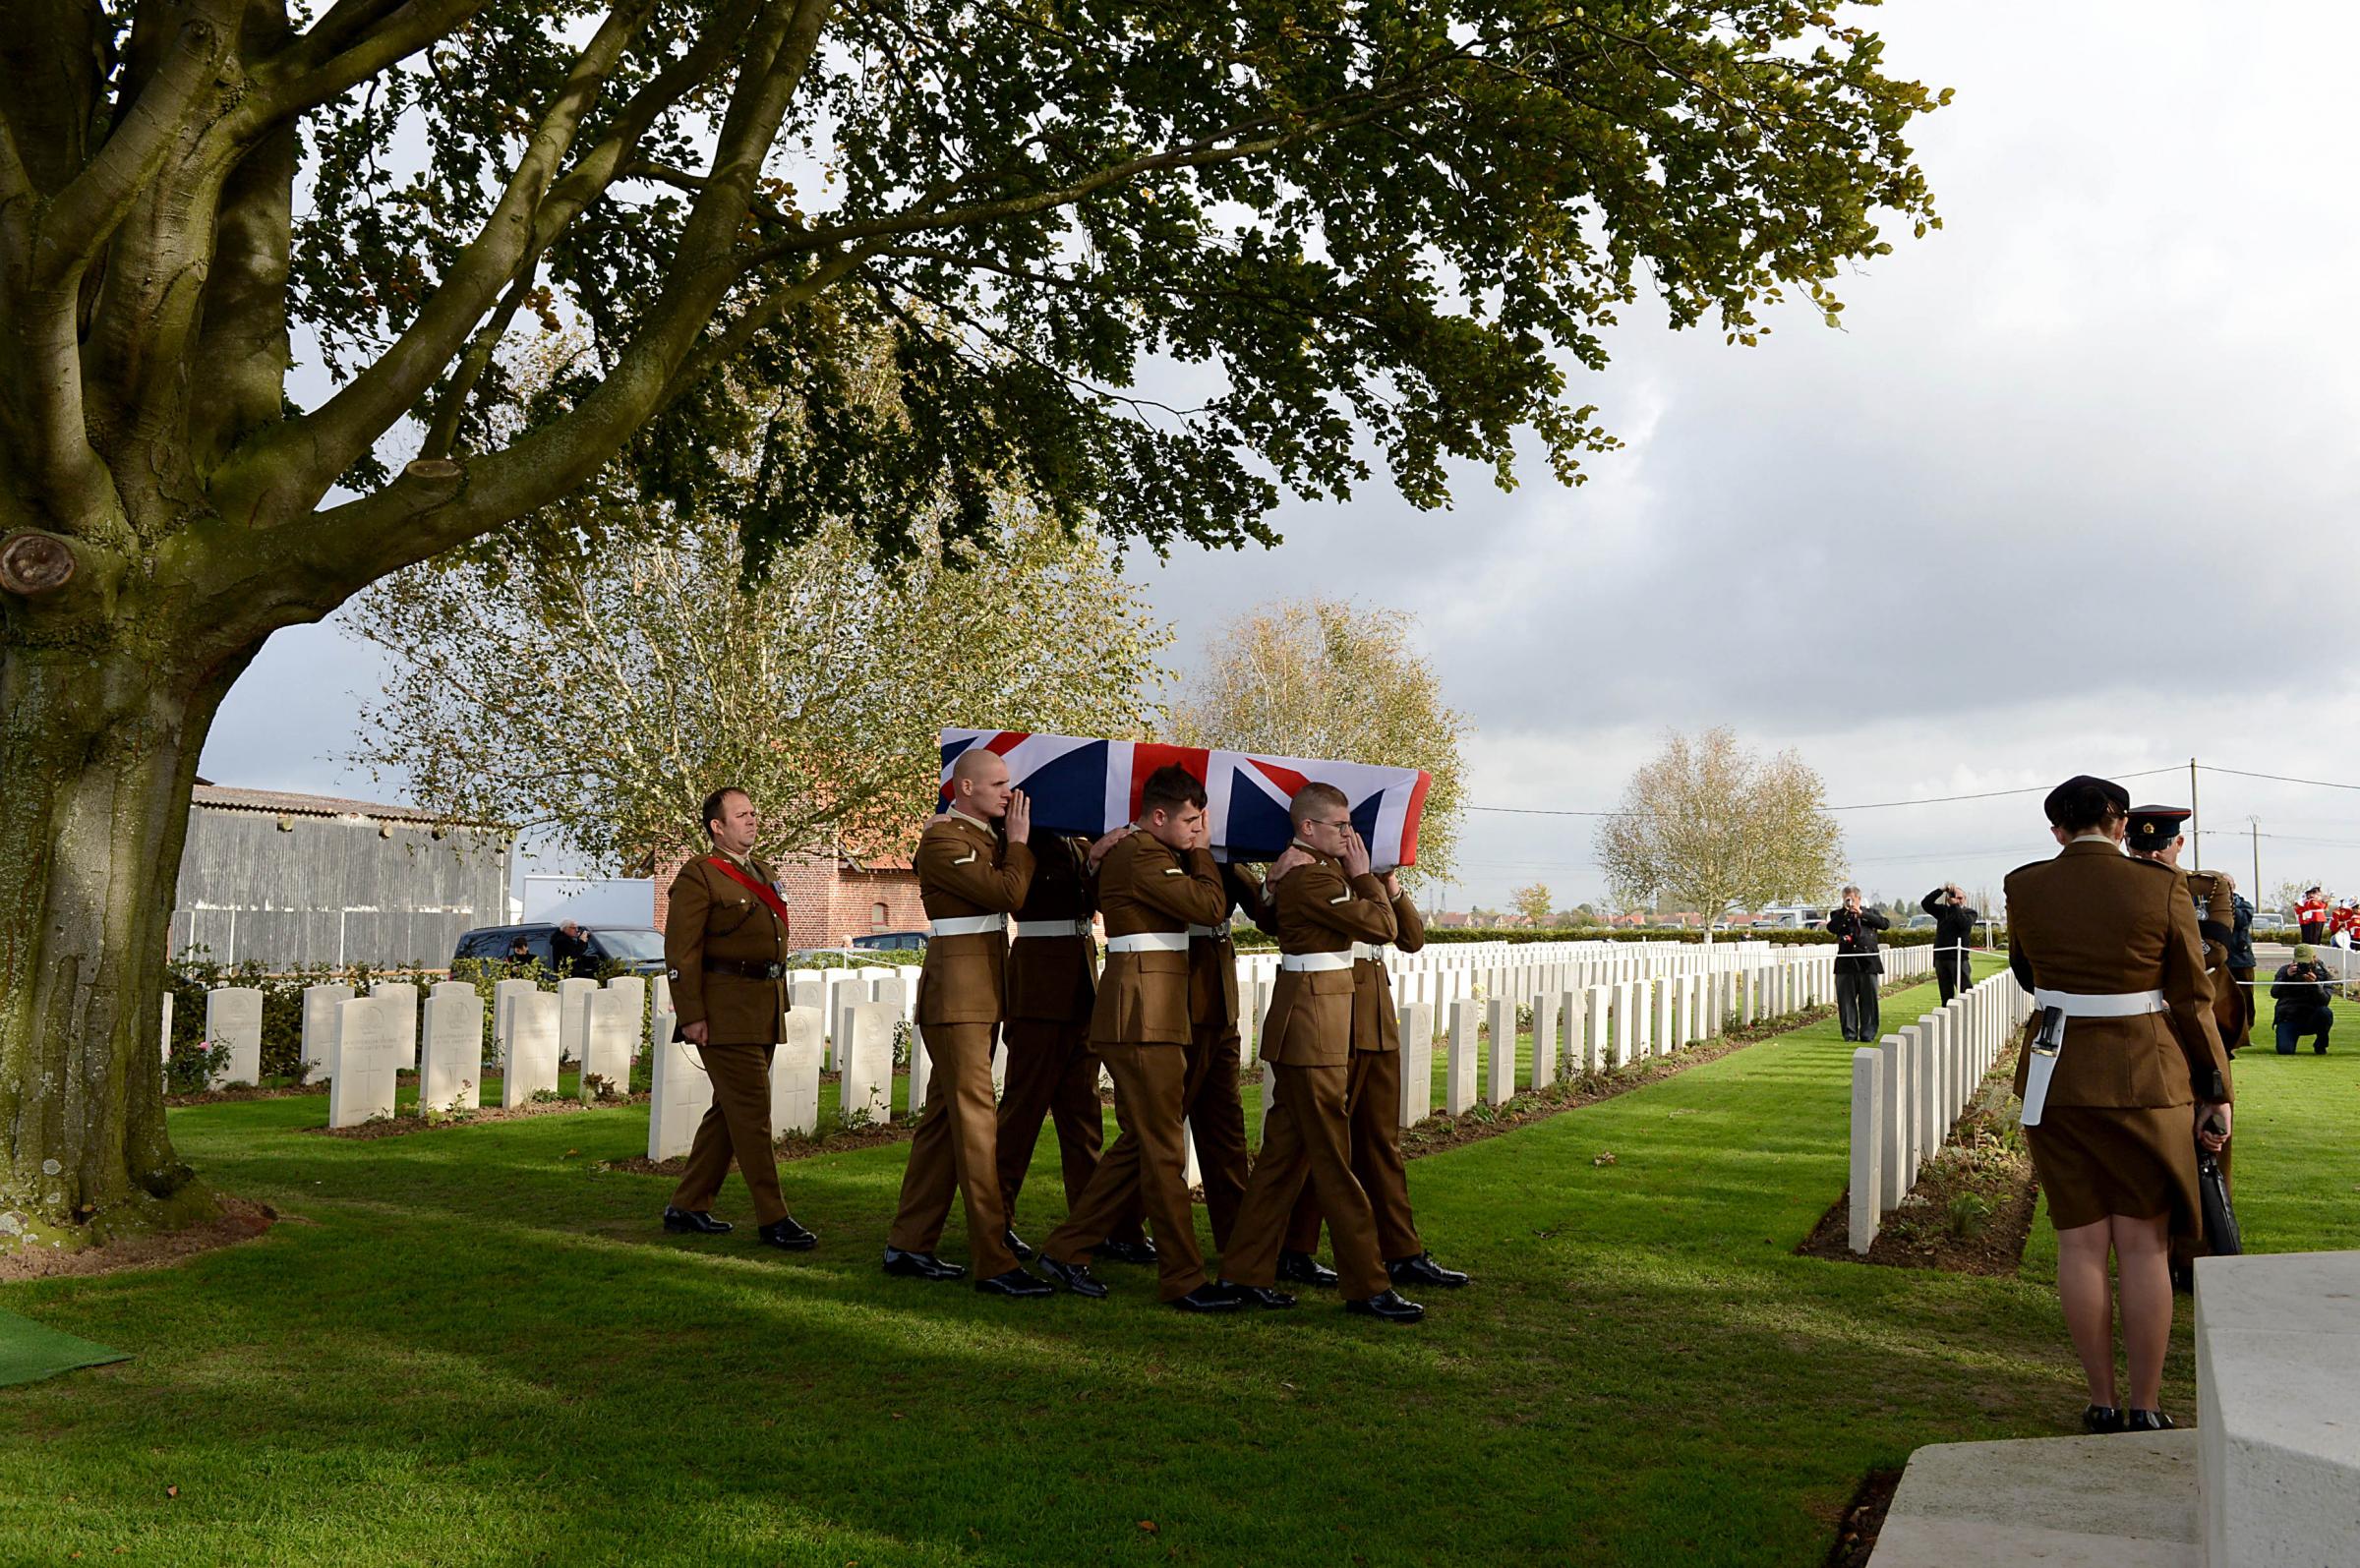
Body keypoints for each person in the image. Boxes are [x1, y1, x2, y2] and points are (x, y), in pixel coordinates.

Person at [2005, 775, 2232, 1434]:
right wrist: (2214, 1088)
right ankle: (2146, 1402)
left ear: (2056, 830)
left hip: (2058, 1075)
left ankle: (2100, 1398)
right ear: (2122, 824)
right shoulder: (2161, 886)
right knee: (2141, 1242)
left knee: (2078, 1241)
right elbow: (2191, 999)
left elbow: (2028, 971)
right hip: (2145, 1079)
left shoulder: (2024, 884)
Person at [1217, 784, 1426, 1322]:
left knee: (1281, 1161)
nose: (1349, 835)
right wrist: (1363, 875)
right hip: (1313, 1032)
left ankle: (1242, 1272)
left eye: (1351, 827)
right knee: (1334, 1161)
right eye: (1339, 827)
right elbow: (1380, 927)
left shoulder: (1316, 871)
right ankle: (1366, 1285)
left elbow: (1405, 932)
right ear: (1307, 828)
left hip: (1318, 1028)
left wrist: (1380, 880)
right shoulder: (1311, 876)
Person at [1035, 766, 1241, 1312]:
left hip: (1155, 1013)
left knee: (1142, 1144)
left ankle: (1066, 1248)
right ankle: (1183, 1278)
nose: (1200, 830)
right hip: (1141, 1019)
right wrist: (1200, 853)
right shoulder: (1142, 856)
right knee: (1164, 1150)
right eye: (1192, 821)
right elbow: (1208, 907)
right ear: (1157, 817)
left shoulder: (1148, 852)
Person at [883, 748, 1048, 1298]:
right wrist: (1019, 845)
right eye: (998, 784)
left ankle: (909, 1242)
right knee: (978, 1128)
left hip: (979, 995)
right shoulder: (944, 840)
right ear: (964, 788)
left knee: (942, 1124)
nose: (1009, 792)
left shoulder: (978, 836)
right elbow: (1009, 893)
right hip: (958, 1000)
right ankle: (994, 1261)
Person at [1274, 852, 1471, 1295]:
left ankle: (1402, 1252)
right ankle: (1294, 1248)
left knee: (1380, 1143)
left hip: (1374, 1021)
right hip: (1336, 1021)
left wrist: (1390, 884)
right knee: (1319, 1143)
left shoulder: (1369, 880)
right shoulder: (1316, 876)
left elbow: (1413, 938)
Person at [660, 786, 816, 1250]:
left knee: (729, 1112)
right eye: (741, 814)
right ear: (717, 826)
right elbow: (681, 951)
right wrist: (691, 1015)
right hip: (723, 1012)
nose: (752, 820)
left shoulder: (762, 872)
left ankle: (688, 1205)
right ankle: (773, 1217)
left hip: (762, 1006)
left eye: (753, 812)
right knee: (752, 1114)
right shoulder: (699, 877)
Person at [993, 831, 1150, 1265]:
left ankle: (1095, 1225)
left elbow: (1107, 901)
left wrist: (1095, 861)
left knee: (1084, 1119)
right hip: (1040, 991)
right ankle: (995, 1224)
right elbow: (1016, 895)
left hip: (1081, 989)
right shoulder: (1022, 841)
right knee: (1021, 1116)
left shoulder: (1077, 842)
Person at [1826, 887, 1890, 1042]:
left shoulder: (1871, 913)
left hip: (1868, 963)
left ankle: (1868, 1033)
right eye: (1846, 899)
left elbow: (1885, 924)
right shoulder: (1838, 914)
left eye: (1852, 899)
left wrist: (1862, 913)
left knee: (1869, 1001)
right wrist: (1846, 912)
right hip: (1846, 964)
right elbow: (1832, 928)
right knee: (1846, 1002)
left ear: (1859, 899)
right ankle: (1850, 1033)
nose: (1849, 902)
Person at [2271, 945, 2334, 1055]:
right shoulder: (2285, 970)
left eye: (2306, 962)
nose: (2303, 965)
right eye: (2300, 962)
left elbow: (2325, 1001)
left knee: (2325, 1013)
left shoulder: (2323, 974)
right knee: (2285, 1050)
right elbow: (2274, 993)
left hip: (2312, 1017)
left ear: (2314, 958)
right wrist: (2287, 977)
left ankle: (2321, 1044)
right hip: (2289, 1018)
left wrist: (2315, 985)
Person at [1921, 883, 1977, 1004]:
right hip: (1941, 958)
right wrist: (1941, 890)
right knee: (1946, 995)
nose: (1957, 900)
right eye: (1954, 897)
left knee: (1965, 992)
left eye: (1960, 898)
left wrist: (1955, 906)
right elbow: (1925, 903)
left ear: (1965, 899)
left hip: (1959, 959)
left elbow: (1964, 924)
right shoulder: (1942, 911)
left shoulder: (1970, 913)